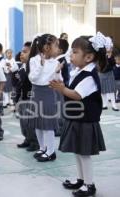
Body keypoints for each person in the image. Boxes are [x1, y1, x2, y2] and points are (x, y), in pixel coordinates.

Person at [50, 32, 107, 197]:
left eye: (75, 52)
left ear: (88, 57)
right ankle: (81, 180)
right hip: (77, 118)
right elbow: (70, 88)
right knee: (78, 152)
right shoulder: (79, 70)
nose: (71, 55)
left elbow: (77, 94)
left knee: (84, 154)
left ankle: (89, 185)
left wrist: (62, 89)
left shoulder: (89, 76)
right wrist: (61, 85)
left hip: (85, 120)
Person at [28, 34, 62, 162]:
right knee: (38, 124)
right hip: (36, 93)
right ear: (47, 47)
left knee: (47, 124)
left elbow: (59, 81)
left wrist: (58, 72)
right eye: (56, 45)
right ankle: (42, 148)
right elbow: (32, 78)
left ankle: (51, 151)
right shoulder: (34, 60)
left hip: (48, 93)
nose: (58, 49)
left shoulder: (56, 62)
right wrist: (41, 65)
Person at [14, 42, 39, 152]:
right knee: (23, 122)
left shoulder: (32, 68)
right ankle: (27, 139)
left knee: (30, 122)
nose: (21, 54)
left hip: (30, 99)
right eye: (21, 52)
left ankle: (35, 142)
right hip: (22, 99)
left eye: (25, 52)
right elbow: (18, 84)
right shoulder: (21, 68)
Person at [98, 36, 119, 111]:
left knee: (111, 90)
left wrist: (110, 56)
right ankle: (104, 104)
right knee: (103, 90)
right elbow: (99, 64)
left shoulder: (112, 54)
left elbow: (113, 64)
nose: (108, 48)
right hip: (101, 73)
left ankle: (114, 105)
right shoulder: (101, 54)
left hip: (109, 73)